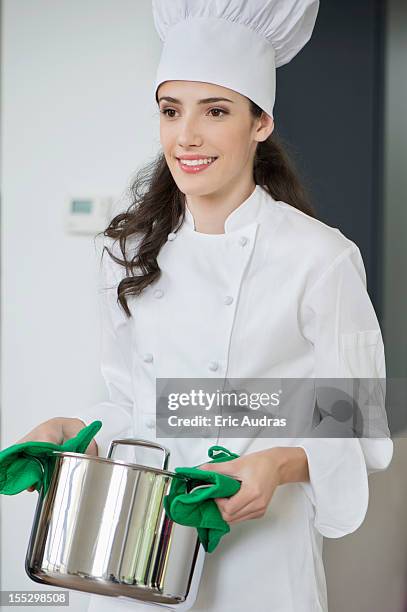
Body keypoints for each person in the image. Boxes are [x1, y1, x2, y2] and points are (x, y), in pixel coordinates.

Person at [17, 1, 393, 610]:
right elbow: (132, 406)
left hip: (261, 557)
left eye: (215, 111)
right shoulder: (129, 251)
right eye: (171, 111)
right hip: (135, 549)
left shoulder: (319, 257)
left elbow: (354, 420)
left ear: (260, 123)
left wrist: (279, 461)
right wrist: (75, 435)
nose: (186, 136)